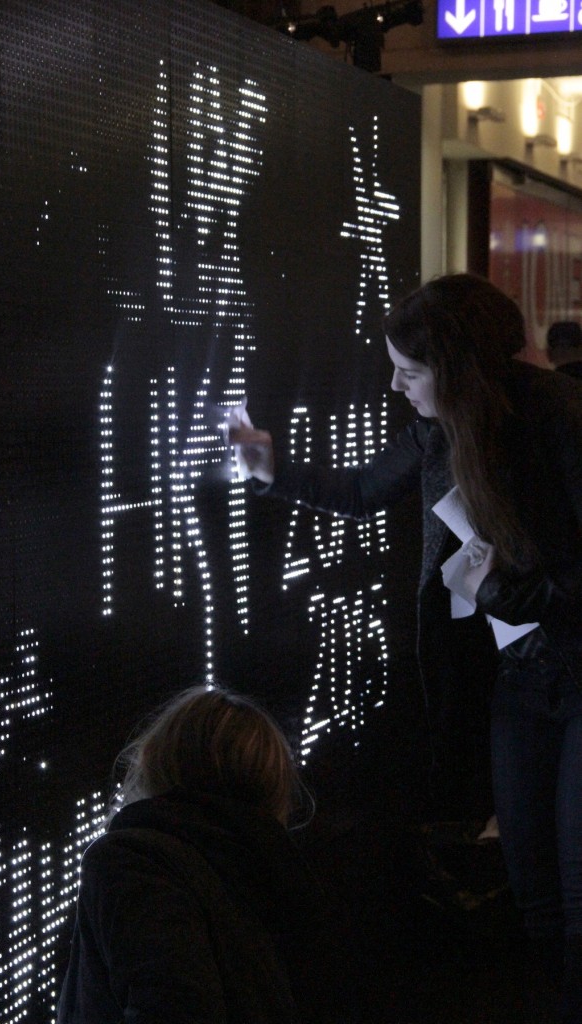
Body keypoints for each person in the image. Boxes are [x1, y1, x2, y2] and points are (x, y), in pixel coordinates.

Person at [231, 273, 582, 1022]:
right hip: (521, 681)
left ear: (453, 371)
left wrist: (514, 595)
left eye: (410, 371)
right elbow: (362, 491)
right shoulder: (439, 430)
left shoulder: (560, 416)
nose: (396, 386)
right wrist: (270, 471)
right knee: (533, 889)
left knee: (577, 892)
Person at [56, 684, 358, 1024]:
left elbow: (174, 1005)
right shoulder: (292, 874)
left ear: (159, 758)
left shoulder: (136, 860)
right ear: (272, 780)